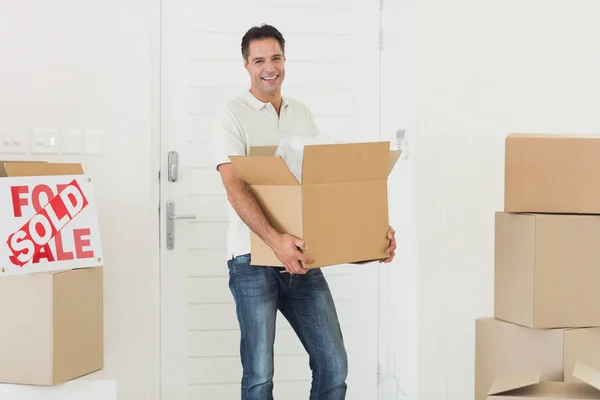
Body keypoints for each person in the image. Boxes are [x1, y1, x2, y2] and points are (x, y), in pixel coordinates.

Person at [211, 24, 397, 400]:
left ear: (284, 61)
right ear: (246, 65)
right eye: (259, 59)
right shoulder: (232, 115)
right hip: (251, 259)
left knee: (334, 366)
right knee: (259, 376)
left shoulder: (301, 113)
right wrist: (275, 241)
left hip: (302, 259)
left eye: (276, 58)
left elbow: (322, 190)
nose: (269, 67)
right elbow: (235, 187)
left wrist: (369, 239)